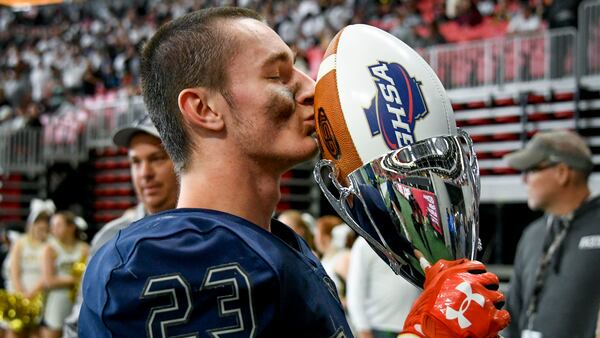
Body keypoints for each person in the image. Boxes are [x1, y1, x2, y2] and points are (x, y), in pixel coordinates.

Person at [79, 7, 508, 337]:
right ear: (205, 109)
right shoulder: (171, 256)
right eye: (280, 75)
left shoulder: (267, 240)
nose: (311, 90)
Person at [61, 115, 179, 337]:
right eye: (136, 162)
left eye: (157, 158)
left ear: (181, 160)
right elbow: (78, 325)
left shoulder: (209, 228)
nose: (145, 173)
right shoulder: (111, 238)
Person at [503, 130, 600, 338]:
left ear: (562, 172)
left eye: (531, 170)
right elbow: (512, 314)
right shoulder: (532, 235)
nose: (524, 180)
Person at [347, 237, 421, 338]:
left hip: (415, 326)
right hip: (381, 328)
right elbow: (355, 290)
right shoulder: (365, 242)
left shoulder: (407, 236)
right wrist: (362, 328)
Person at [6, 199, 54, 338]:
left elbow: (48, 273)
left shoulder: (50, 245)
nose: (42, 228)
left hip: (40, 295)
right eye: (38, 224)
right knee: (15, 330)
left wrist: (33, 293)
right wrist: (22, 293)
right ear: (31, 224)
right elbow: (14, 271)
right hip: (18, 292)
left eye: (45, 225)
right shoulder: (20, 242)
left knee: (34, 332)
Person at [40, 212, 89, 338]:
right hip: (57, 302)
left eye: (58, 225)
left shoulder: (85, 248)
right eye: (52, 226)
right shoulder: (49, 248)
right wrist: (76, 280)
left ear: (71, 227)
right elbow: (49, 281)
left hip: (79, 302)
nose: (53, 229)